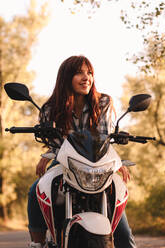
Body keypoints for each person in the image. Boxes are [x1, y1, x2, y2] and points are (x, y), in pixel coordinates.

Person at [27, 55, 137, 248]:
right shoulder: (50, 108)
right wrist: (46, 155)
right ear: (66, 77)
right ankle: (37, 243)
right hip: (65, 163)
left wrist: (117, 162)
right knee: (35, 190)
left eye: (90, 73)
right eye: (79, 72)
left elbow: (104, 137)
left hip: (98, 165)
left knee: (120, 215)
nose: (86, 77)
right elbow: (53, 143)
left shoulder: (102, 102)